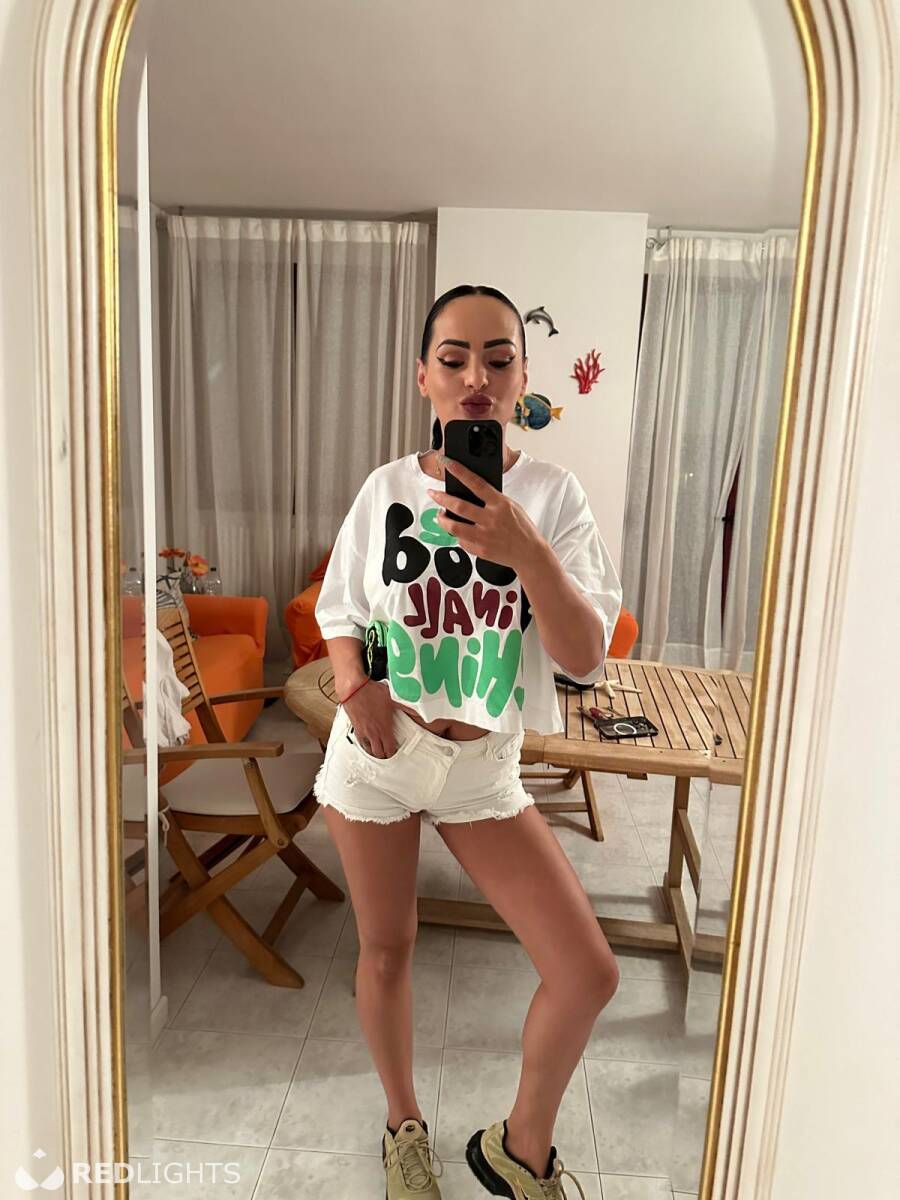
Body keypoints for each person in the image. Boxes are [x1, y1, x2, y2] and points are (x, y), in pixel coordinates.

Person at [313, 284, 622, 1200]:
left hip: (482, 767)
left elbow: (585, 657)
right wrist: (356, 687)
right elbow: (339, 609)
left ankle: (519, 1147)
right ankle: (403, 1127)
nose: (475, 377)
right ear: (424, 376)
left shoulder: (553, 496)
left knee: (586, 973)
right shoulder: (386, 489)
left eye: (497, 358)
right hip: (378, 756)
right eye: (453, 359)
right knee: (387, 949)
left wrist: (527, 549)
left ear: (523, 377)